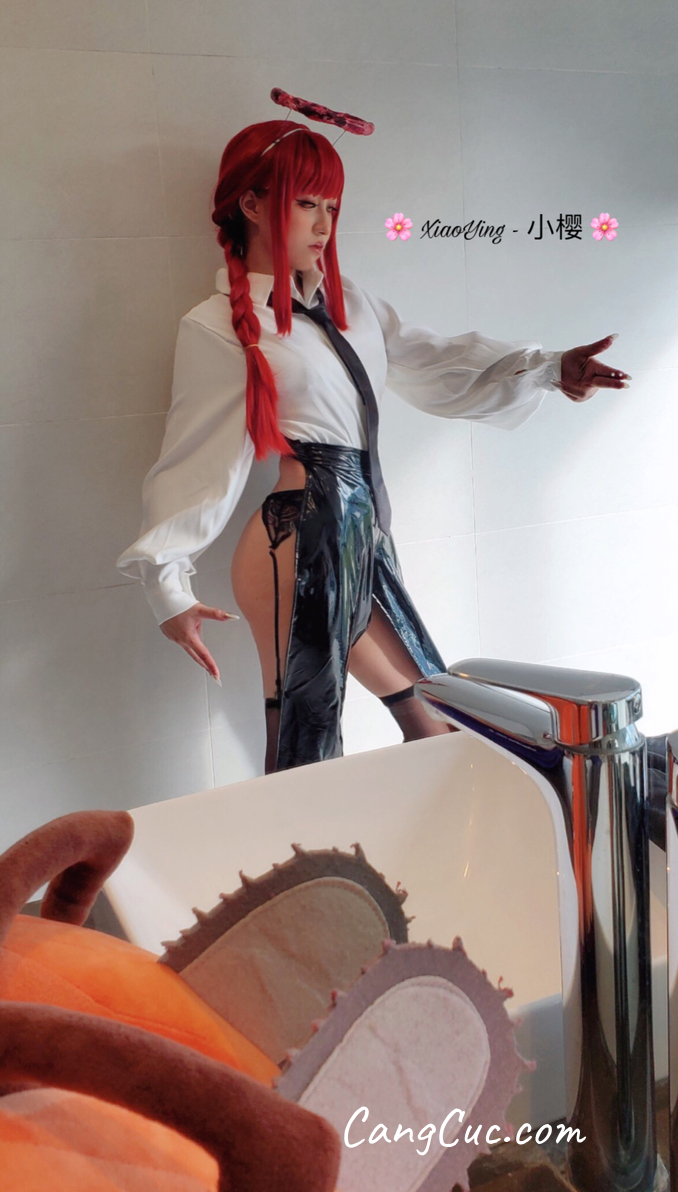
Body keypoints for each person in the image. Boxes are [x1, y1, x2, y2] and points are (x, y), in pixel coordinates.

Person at [116, 115, 630, 775]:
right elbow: (194, 458)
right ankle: (295, 845)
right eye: (307, 203)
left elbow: (434, 358)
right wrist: (168, 586)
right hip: (296, 542)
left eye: (332, 206)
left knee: (440, 722)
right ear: (251, 204)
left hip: (361, 539)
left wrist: (549, 368)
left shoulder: (350, 302)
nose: (324, 224)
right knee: (306, 745)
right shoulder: (216, 325)